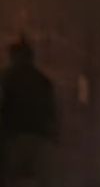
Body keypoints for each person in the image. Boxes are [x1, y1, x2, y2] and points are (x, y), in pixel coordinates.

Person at [0, 37, 57, 187]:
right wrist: (53, 138)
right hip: (41, 140)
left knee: (12, 179)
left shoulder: (6, 77)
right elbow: (52, 113)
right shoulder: (43, 81)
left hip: (13, 139)